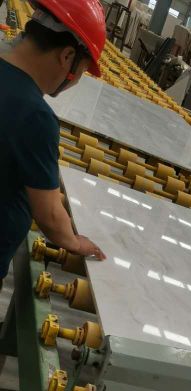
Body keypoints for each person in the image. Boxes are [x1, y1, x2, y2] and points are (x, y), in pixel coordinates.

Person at [0, 0, 107, 286]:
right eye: (81, 72)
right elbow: (48, 215)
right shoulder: (35, 116)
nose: (75, 82)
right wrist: (74, 241)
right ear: (67, 56)